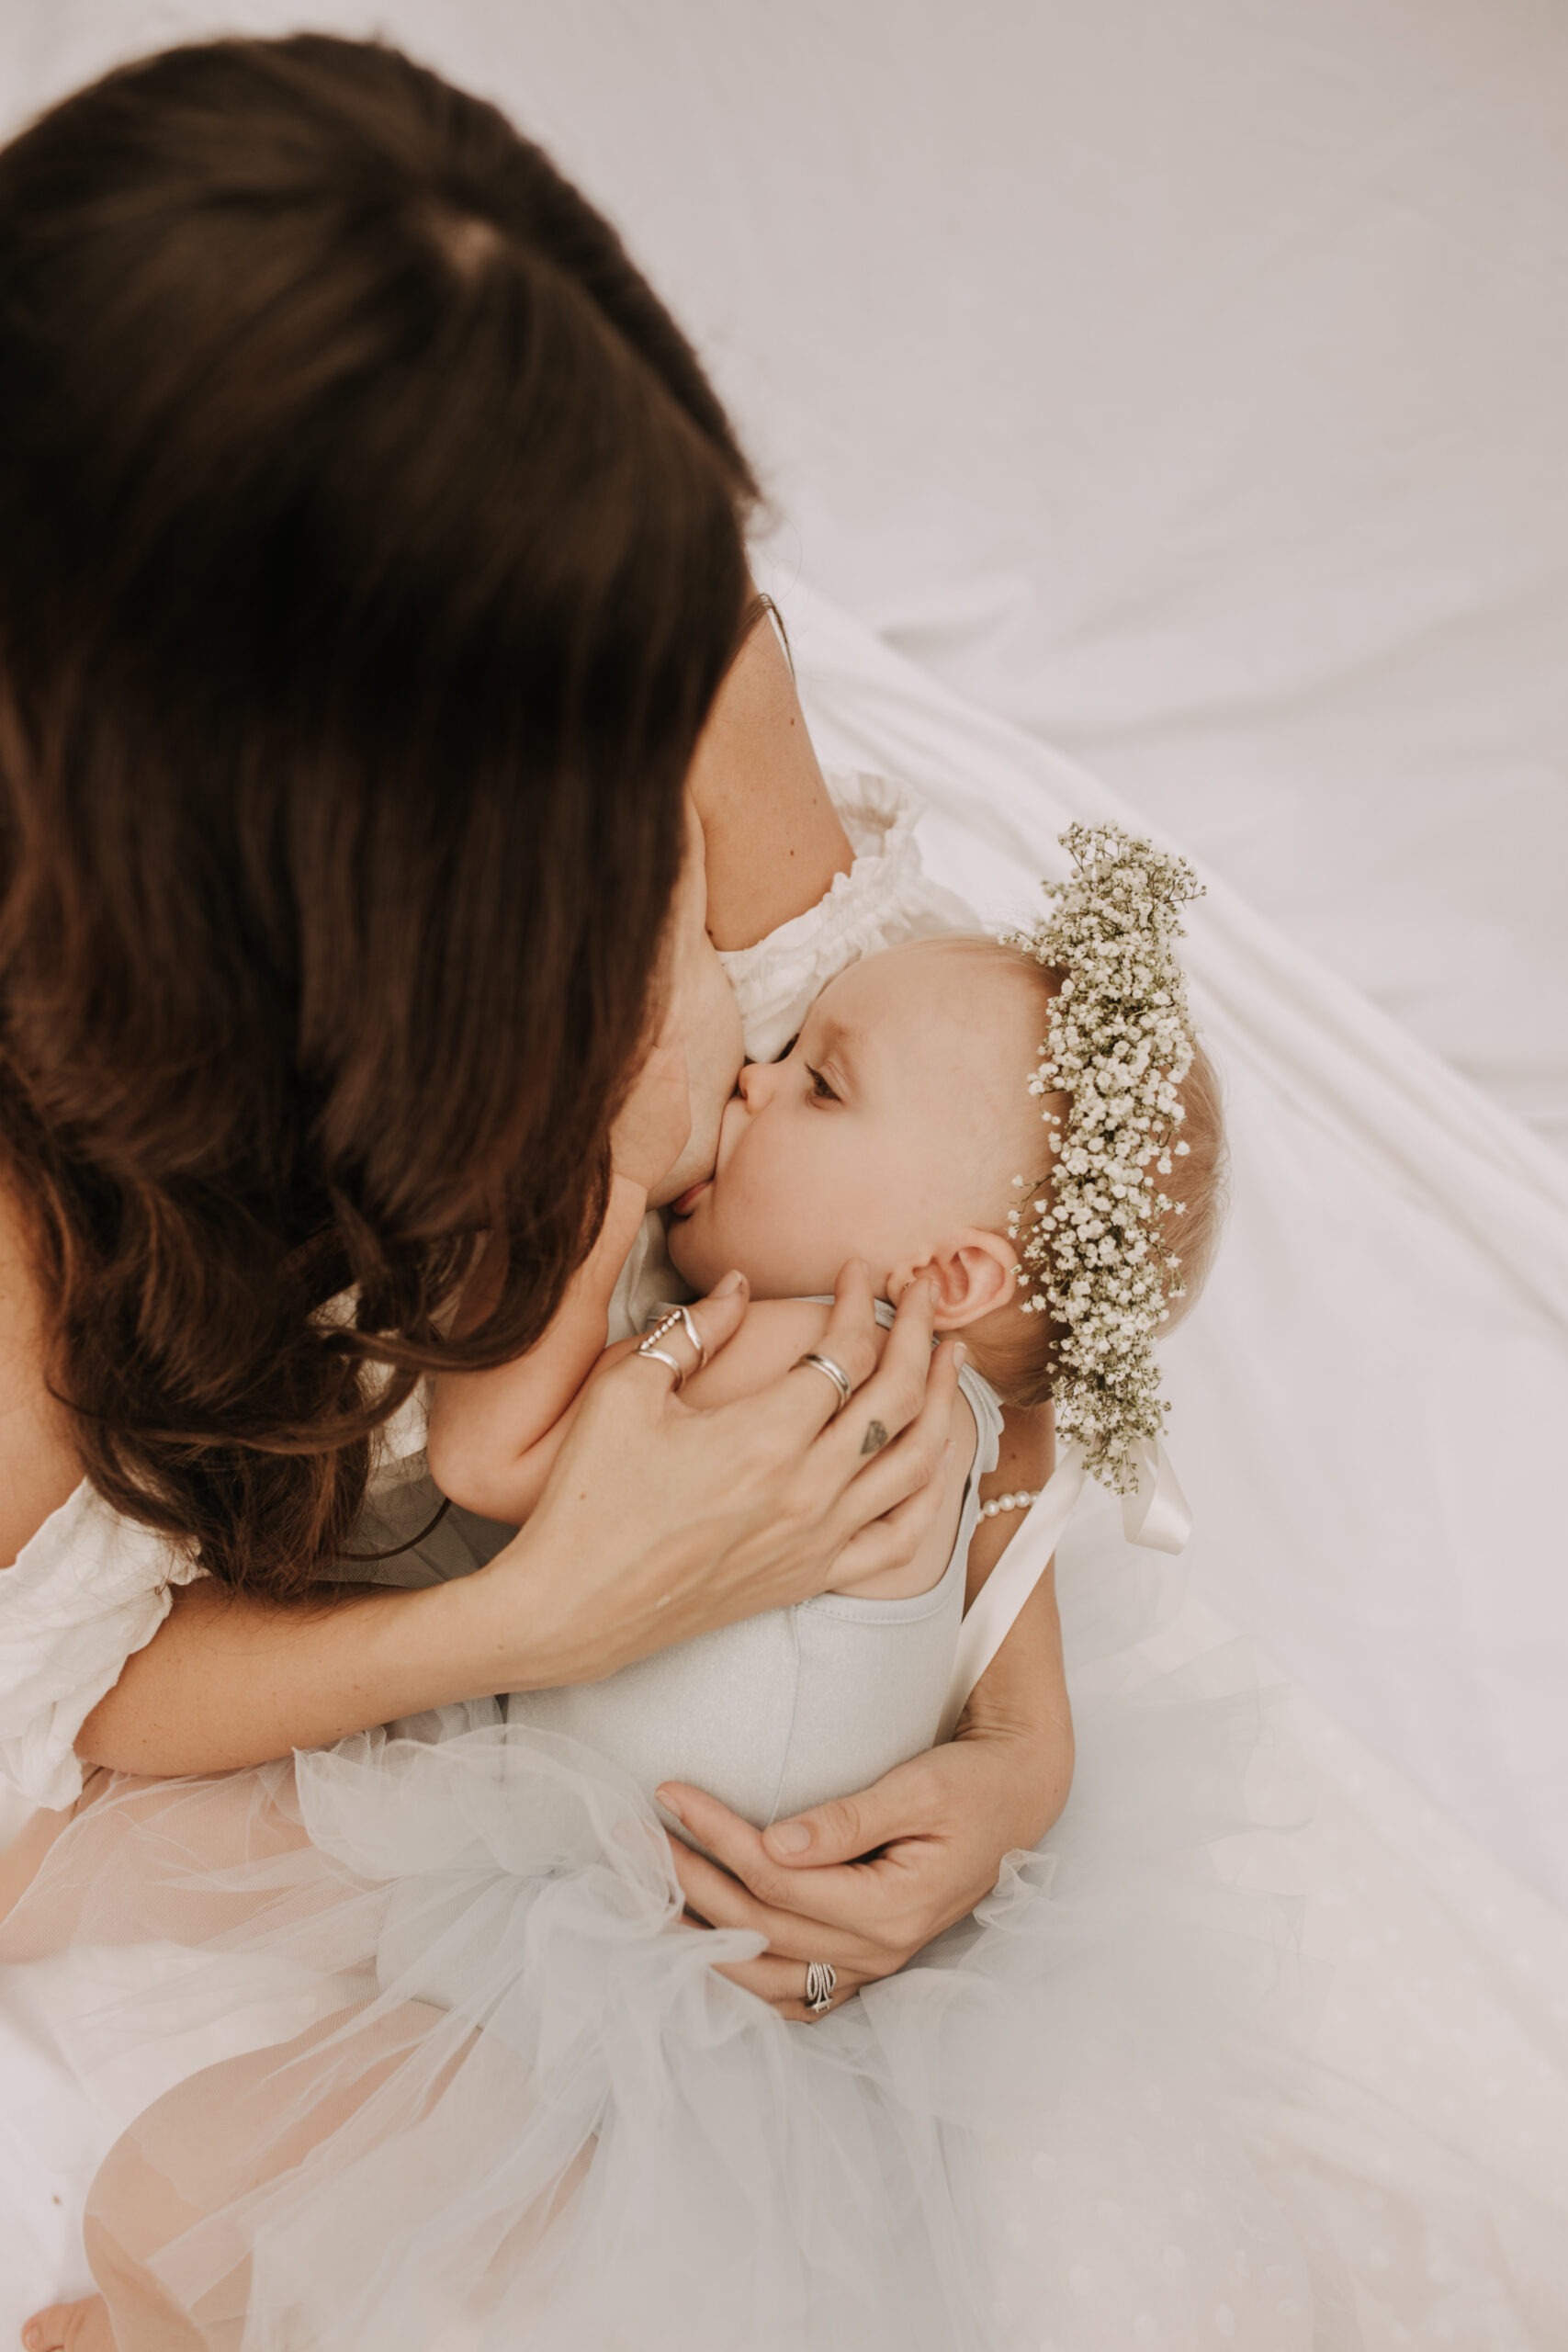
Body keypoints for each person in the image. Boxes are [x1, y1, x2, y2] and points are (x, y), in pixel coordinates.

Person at [0, 28, 1069, 2022]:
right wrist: (544, 1611)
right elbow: (45, 1742)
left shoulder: (615, 612)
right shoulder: (40, 1221)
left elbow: (935, 1196)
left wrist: (1007, 1732)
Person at [12, 829, 1269, 2352]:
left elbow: (492, 1457)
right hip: (611, 1836)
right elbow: (997, 1575)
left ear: (950, 1280)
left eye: (817, 1083)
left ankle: (148, 2321)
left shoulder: (784, 1362)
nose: (747, 1084)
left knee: (239, 2167)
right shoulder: (956, 1416)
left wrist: (603, 1170)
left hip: (610, 1902)